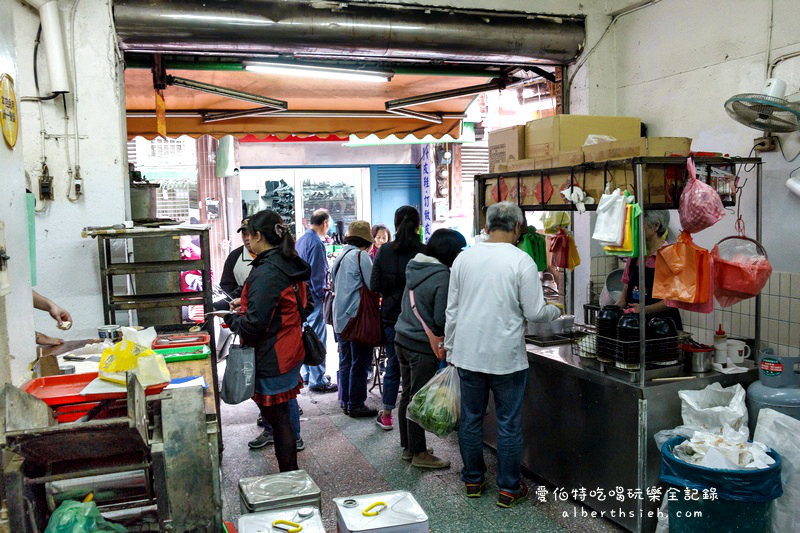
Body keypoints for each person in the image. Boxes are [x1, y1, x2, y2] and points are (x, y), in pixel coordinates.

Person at [445, 201, 561, 508]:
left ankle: (472, 480)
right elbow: (536, 312)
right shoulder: (521, 261)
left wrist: (451, 348)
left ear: (486, 227)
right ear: (518, 227)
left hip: (469, 354)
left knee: (470, 420)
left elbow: (452, 309)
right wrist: (556, 310)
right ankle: (509, 488)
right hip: (506, 358)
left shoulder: (464, 258)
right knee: (508, 423)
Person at [224, 210, 311, 470]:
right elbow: (297, 306)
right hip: (289, 347)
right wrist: (249, 302)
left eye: (249, 236)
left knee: (279, 420)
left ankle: (290, 475)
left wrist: (232, 318)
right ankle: (290, 475)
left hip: (274, 354)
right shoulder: (289, 262)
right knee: (281, 417)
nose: (247, 242)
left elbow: (253, 326)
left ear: (259, 236)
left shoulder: (268, 270)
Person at [395, 228, 466, 469]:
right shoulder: (441, 276)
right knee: (418, 398)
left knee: (407, 394)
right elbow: (439, 319)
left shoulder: (415, 267)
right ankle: (419, 453)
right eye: (459, 250)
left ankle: (408, 447)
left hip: (402, 338)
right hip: (420, 346)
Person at [370, 206, 425, 431]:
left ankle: (387, 415)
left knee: (393, 363)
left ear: (395, 225)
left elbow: (374, 285)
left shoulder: (384, 251)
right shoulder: (424, 251)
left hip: (392, 316)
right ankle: (417, 419)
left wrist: (391, 293)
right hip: (420, 318)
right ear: (418, 226)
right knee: (420, 370)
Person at [331, 220, 378, 418]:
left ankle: (346, 400)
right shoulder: (361, 256)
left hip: (340, 318)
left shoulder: (340, 257)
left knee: (346, 360)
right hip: (356, 317)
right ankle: (356, 404)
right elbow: (372, 285)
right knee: (360, 361)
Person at [614, 210, 682, 329]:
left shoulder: (669, 256)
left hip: (663, 328)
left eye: (639, 224)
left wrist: (644, 309)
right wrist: (614, 310)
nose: (634, 229)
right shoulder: (635, 256)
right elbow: (624, 296)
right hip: (634, 326)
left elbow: (673, 300)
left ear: (656, 226)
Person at [295, 209, 336, 393]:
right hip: (313, 297)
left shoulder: (302, 240)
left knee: (306, 336)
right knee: (317, 338)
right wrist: (321, 296)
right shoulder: (316, 244)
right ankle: (317, 379)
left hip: (301, 297)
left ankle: (307, 374)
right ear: (325, 223)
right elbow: (318, 276)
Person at [220, 217, 255, 300]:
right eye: (244, 234)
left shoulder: (270, 256)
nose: (247, 238)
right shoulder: (234, 256)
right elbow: (226, 284)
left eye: (250, 234)